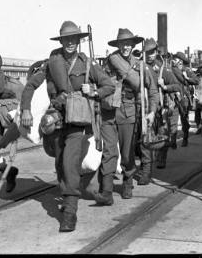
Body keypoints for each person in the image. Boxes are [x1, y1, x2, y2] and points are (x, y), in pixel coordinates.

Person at [46, 20, 115, 232]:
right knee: (59, 162)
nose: (70, 43)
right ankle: (67, 198)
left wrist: (93, 91)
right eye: (66, 39)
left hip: (77, 120)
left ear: (79, 41)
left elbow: (109, 85)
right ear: (61, 40)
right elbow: (37, 83)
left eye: (74, 39)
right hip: (57, 118)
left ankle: (70, 211)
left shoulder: (87, 63)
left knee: (70, 162)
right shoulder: (53, 60)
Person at [95, 28, 158, 205]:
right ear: (118, 45)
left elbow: (152, 90)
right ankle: (106, 192)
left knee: (127, 151)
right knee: (109, 152)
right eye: (122, 44)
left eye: (128, 44)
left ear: (133, 45)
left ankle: (128, 183)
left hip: (128, 112)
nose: (125, 47)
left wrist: (152, 111)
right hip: (108, 112)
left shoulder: (140, 65)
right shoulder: (108, 63)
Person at [144, 40, 182, 169]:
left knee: (162, 134)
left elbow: (177, 86)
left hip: (161, 108)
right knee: (147, 135)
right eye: (147, 53)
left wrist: (164, 86)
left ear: (156, 53)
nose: (149, 55)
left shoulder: (162, 69)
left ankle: (161, 159)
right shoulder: (141, 66)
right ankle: (147, 164)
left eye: (152, 52)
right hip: (146, 108)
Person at [170, 51, 199, 146]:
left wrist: (187, 78)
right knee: (173, 121)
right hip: (173, 98)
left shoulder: (186, 71)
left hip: (184, 99)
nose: (173, 60)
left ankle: (185, 138)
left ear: (180, 61)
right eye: (173, 58)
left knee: (184, 120)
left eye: (175, 59)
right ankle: (173, 141)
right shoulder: (170, 70)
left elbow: (196, 81)